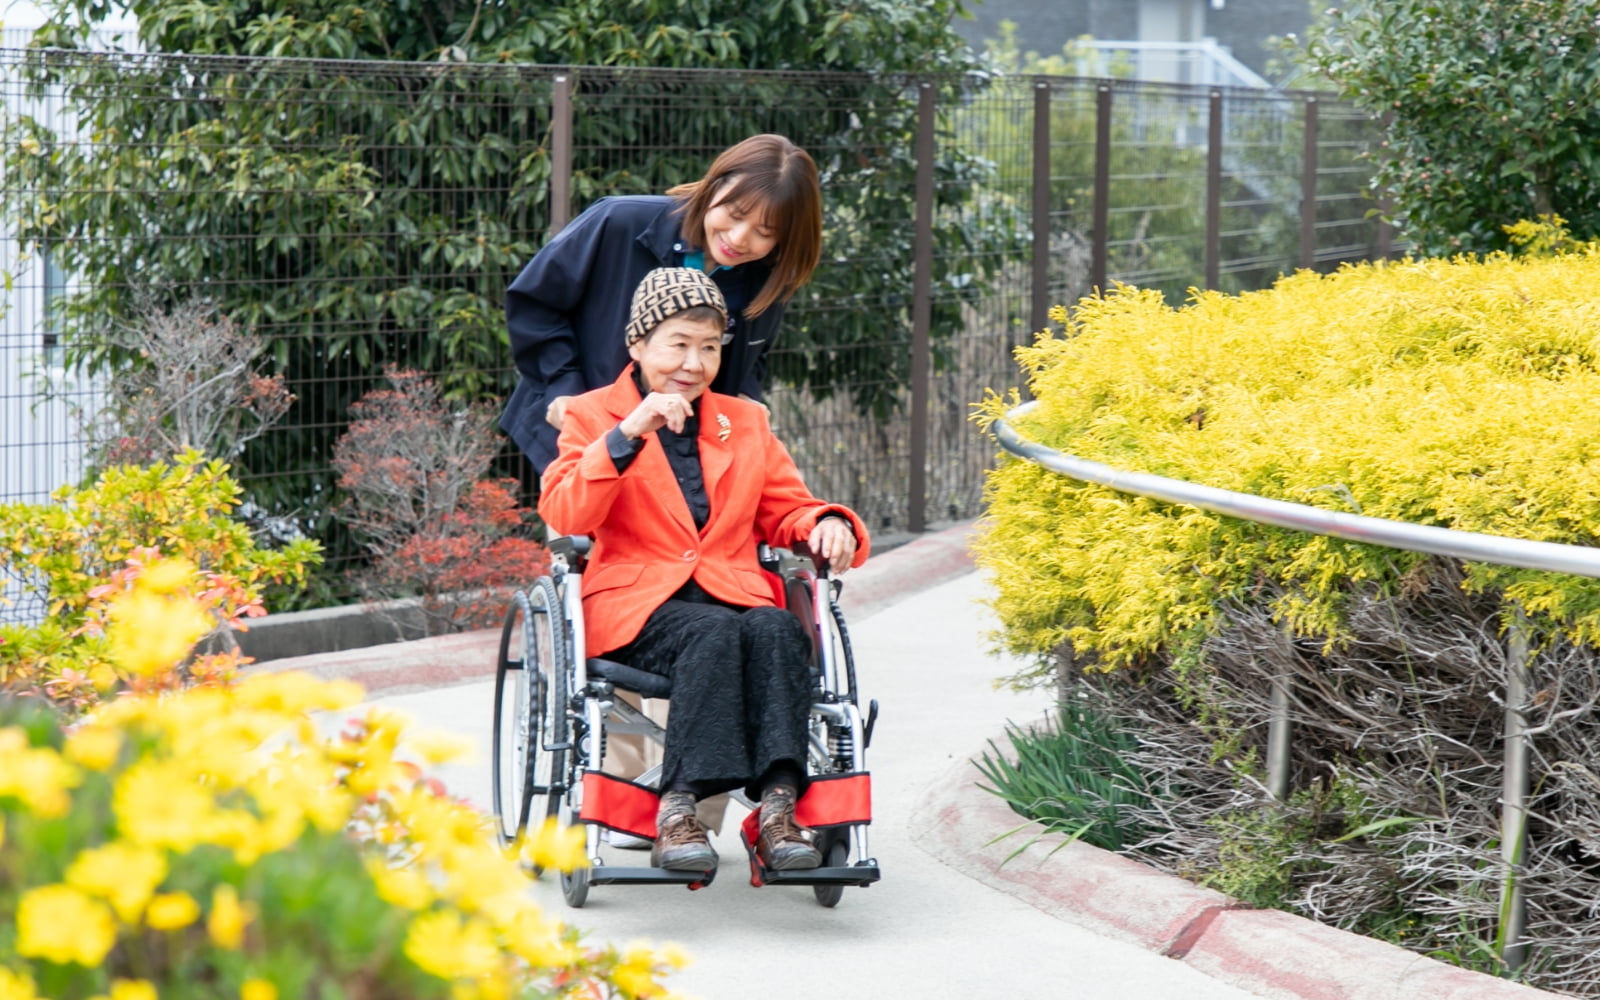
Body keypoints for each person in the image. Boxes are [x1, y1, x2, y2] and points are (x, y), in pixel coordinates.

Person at [538, 267, 869, 873]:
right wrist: (626, 434)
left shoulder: (743, 422)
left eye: (710, 348)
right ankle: (678, 808)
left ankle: (776, 811)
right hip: (637, 603)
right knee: (712, 632)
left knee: (776, 630)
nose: (694, 363)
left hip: (731, 592)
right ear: (637, 345)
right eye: (679, 345)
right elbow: (566, 512)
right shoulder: (591, 416)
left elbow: (785, 507)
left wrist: (827, 521)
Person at [500, 133, 824, 477]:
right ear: (714, 187)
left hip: (679, 459)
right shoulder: (618, 221)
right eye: (735, 213)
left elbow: (751, 355)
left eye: (765, 231)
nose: (739, 237)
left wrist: (745, 398)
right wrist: (565, 390)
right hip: (575, 432)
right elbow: (535, 303)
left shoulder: (769, 273)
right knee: (576, 522)